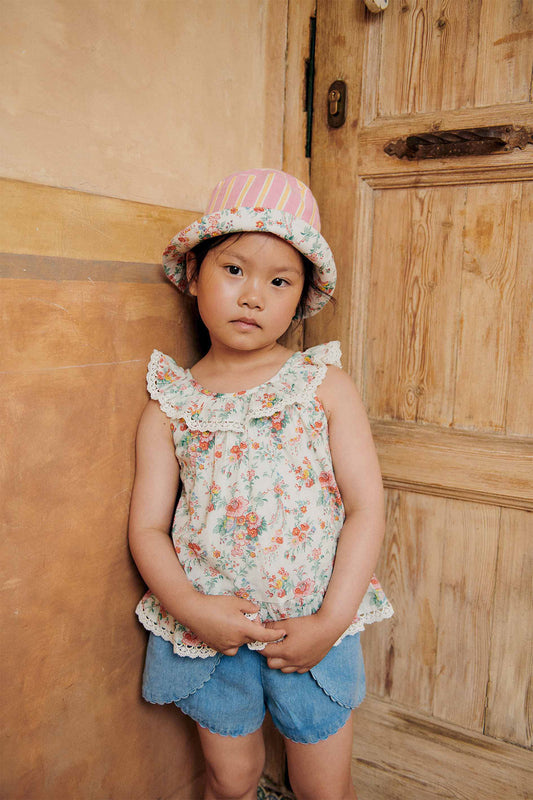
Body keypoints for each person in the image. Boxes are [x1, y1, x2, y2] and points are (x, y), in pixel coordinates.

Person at [128, 168, 393, 800]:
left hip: (314, 622)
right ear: (195, 276)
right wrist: (194, 611)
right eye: (234, 270)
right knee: (231, 778)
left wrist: (329, 622)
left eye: (279, 281)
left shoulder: (323, 387)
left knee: (324, 787)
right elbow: (147, 528)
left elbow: (366, 507)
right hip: (210, 634)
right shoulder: (171, 405)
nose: (253, 297)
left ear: (300, 299)